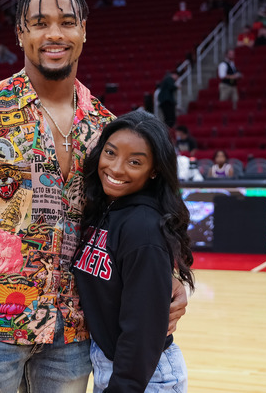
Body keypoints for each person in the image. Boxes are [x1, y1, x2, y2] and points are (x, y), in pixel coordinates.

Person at [0, 0, 188, 393]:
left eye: (67, 22)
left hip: (73, 336)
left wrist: (170, 273)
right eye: (39, 23)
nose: (54, 33)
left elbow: (140, 214)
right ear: (21, 34)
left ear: (84, 31)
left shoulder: (107, 128)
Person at [74, 110, 194, 392]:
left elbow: (142, 329)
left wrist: (124, 385)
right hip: (116, 365)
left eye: (135, 162)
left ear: (154, 171)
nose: (116, 168)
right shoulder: (107, 210)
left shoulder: (143, 228)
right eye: (111, 153)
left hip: (143, 377)